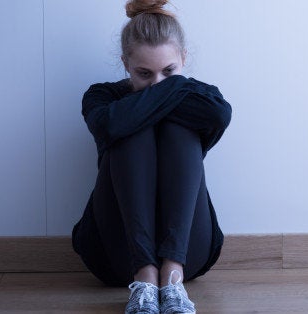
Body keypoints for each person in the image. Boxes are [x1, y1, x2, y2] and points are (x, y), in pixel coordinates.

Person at [71, 0, 232, 313]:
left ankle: (172, 279)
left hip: (189, 253)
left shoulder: (203, 100)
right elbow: (111, 124)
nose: (156, 84)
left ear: (184, 59)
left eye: (169, 72)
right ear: (125, 63)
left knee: (175, 128)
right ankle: (144, 276)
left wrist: (150, 96)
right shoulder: (102, 96)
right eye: (144, 73)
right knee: (130, 127)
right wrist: (175, 88)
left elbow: (220, 115)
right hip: (114, 254)